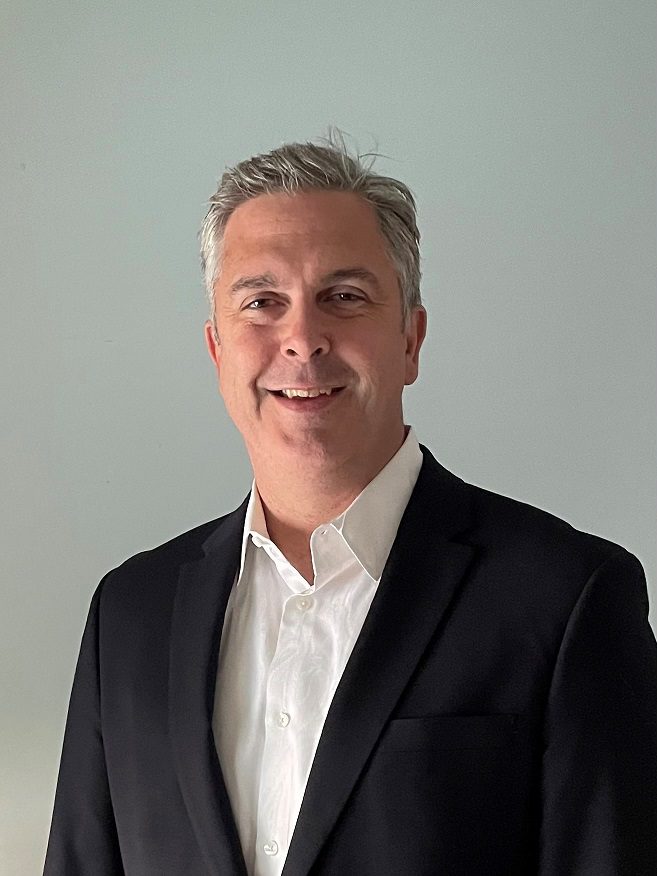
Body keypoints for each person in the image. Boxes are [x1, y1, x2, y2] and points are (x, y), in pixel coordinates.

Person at [44, 137, 657, 876]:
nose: (302, 339)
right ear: (217, 351)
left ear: (410, 339)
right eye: (262, 302)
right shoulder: (129, 614)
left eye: (343, 297)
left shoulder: (567, 597)